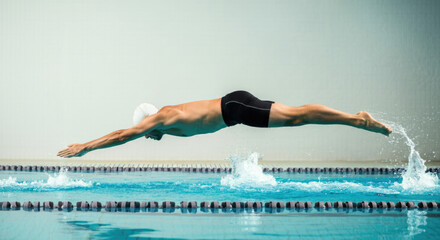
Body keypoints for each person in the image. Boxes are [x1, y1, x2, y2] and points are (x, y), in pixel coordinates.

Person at [57, 90, 392, 158]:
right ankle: (355, 119)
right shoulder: (165, 120)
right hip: (234, 105)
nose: (150, 137)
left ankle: (356, 119)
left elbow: (123, 135)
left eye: (148, 133)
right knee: (296, 117)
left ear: (148, 123)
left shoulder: (159, 119)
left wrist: (85, 146)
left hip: (234, 109)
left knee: (297, 118)